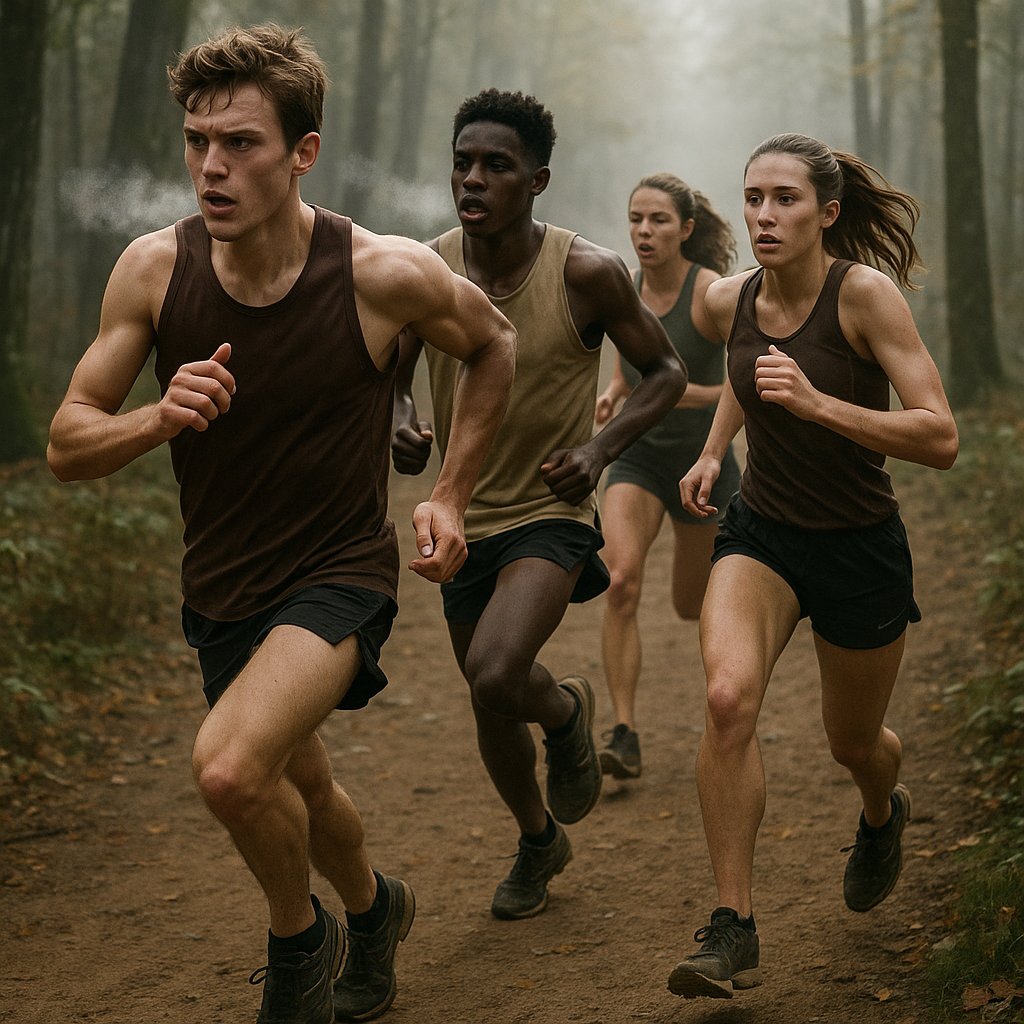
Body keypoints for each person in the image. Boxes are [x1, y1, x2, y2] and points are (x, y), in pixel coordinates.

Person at [47, 25, 516, 1024]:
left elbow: (493, 343)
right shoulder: (149, 270)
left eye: (241, 143)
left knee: (227, 767)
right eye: (195, 141)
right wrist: (156, 415)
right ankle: (373, 906)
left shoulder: (379, 273)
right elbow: (67, 442)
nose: (210, 166)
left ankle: (298, 941)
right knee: (301, 789)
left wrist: (449, 493)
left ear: (302, 152)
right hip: (222, 584)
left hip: (340, 571)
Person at [667, 132, 958, 1000]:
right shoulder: (730, 298)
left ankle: (881, 812)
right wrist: (716, 451)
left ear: (827, 213)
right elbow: (740, 375)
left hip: (859, 546)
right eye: (753, 197)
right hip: (763, 535)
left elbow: (939, 435)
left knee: (855, 744)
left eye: (785, 199)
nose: (764, 214)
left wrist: (822, 402)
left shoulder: (863, 297)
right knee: (727, 700)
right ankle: (732, 927)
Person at [391, 89, 686, 921]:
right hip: (460, 520)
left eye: (496, 165)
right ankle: (536, 840)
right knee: (488, 697)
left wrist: (598, 452)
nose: (472, 180)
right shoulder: (428, 267)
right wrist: (405, 423)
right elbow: (390, 374)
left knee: (496, 670)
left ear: (538, 179)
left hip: (548, 514)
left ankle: (564, 714)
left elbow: (663, 374)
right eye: (462, 163)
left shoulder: (586, 271)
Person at [594, 173, 738, 780]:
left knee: (689, 604)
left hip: (704, 463)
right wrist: (617, 389)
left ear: (686, 229)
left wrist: (677, 394)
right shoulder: (620, 291)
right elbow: (637, 368)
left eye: (657, 220)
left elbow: (743, 384)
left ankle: (729, 707)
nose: (644, 231)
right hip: (639, 457)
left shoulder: (709, 295)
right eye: (635, 219)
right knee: (621, 580)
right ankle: (622, 731)